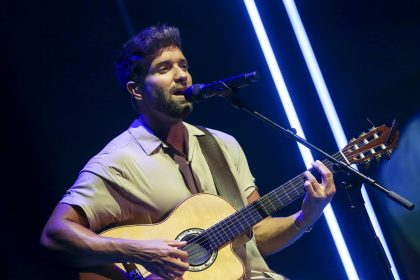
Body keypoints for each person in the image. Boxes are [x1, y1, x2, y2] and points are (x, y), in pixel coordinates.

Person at [40, 24, 336, 280]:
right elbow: (55, 235)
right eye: (164, 68)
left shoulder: (222, 144)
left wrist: (306, 217)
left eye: (183, 65)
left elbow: (255, 235)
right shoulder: (118, 161)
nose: (182, 75)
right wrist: (139, 251)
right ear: (137, 90)